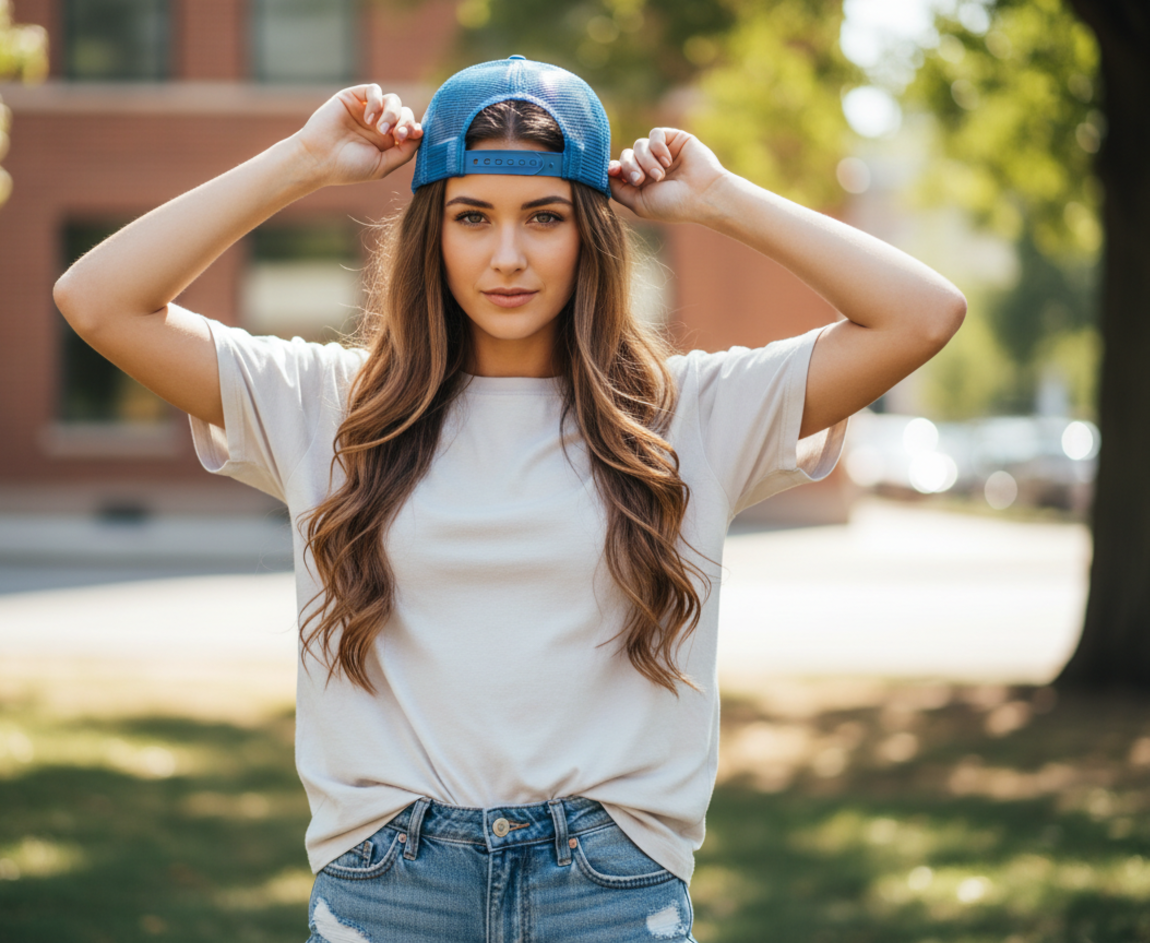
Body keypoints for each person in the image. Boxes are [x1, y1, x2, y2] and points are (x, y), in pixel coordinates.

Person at [54, 56, 964, 943]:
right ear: (433, 232)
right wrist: (302, 161)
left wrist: (719, 198)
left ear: (589, 233)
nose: (507, 256)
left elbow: (922, 314)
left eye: (544, 217)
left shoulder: (685, 415)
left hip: (610, 883)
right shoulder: (331, 404)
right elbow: (97, 300)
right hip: (389, 880)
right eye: (471, 217)